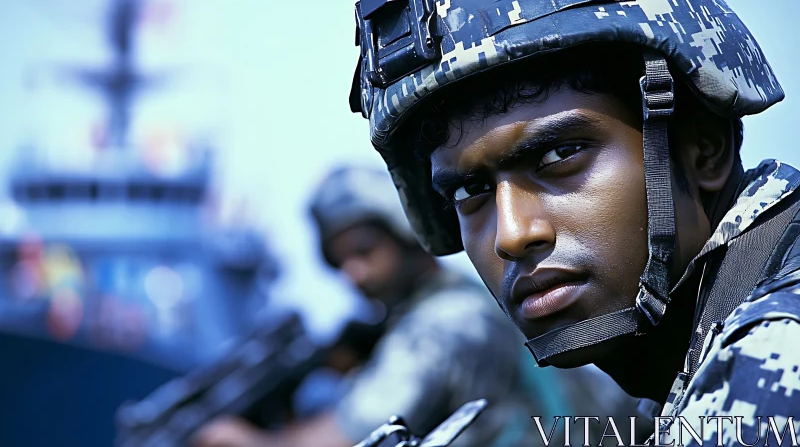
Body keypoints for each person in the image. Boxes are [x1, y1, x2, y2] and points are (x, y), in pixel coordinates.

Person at [346, 0, 800, 445]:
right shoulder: (699, 364)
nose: (513, 235)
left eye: (560, 155)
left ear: (704, 147)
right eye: (469, 191)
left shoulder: (771, 360)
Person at [192, 165, 648, 446]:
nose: (354, 274)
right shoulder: (442, 309)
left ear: (406, 237)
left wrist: (250, 442)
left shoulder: (443, 322)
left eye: (365, 251)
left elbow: (347, 438)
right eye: (339, 261)